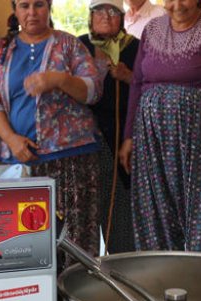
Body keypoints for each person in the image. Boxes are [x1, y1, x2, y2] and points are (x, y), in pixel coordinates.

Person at [0, 0, 103, 270]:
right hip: (22, 159)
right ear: (15, 10)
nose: (32, 12)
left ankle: (76, 299)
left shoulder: (69, 45)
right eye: (24, 5)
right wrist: (11, 139)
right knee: (27, 239)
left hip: (72, 157)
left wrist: (58, 79)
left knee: (77, 236)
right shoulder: (2, 51)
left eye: (39, 5)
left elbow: (94, 90)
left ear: (49, 7)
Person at [121, 0, 201, 255]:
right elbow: (137, 84)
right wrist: (129, 136)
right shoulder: (151, 29)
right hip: (151, 137)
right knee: (156, 210)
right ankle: (162, 281)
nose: (177, 4)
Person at [79, 0, 140, 254]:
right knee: (84, 213)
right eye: (100, 11)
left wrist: (128, 77)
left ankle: (122, 274)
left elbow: (151, 88)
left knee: (120, 213)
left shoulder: (135, 47)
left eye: (113, 11)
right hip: (85, 142)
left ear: (123, 17)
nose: (106, 16)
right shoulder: (78, 45)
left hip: (122, 139)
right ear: (91, 17)